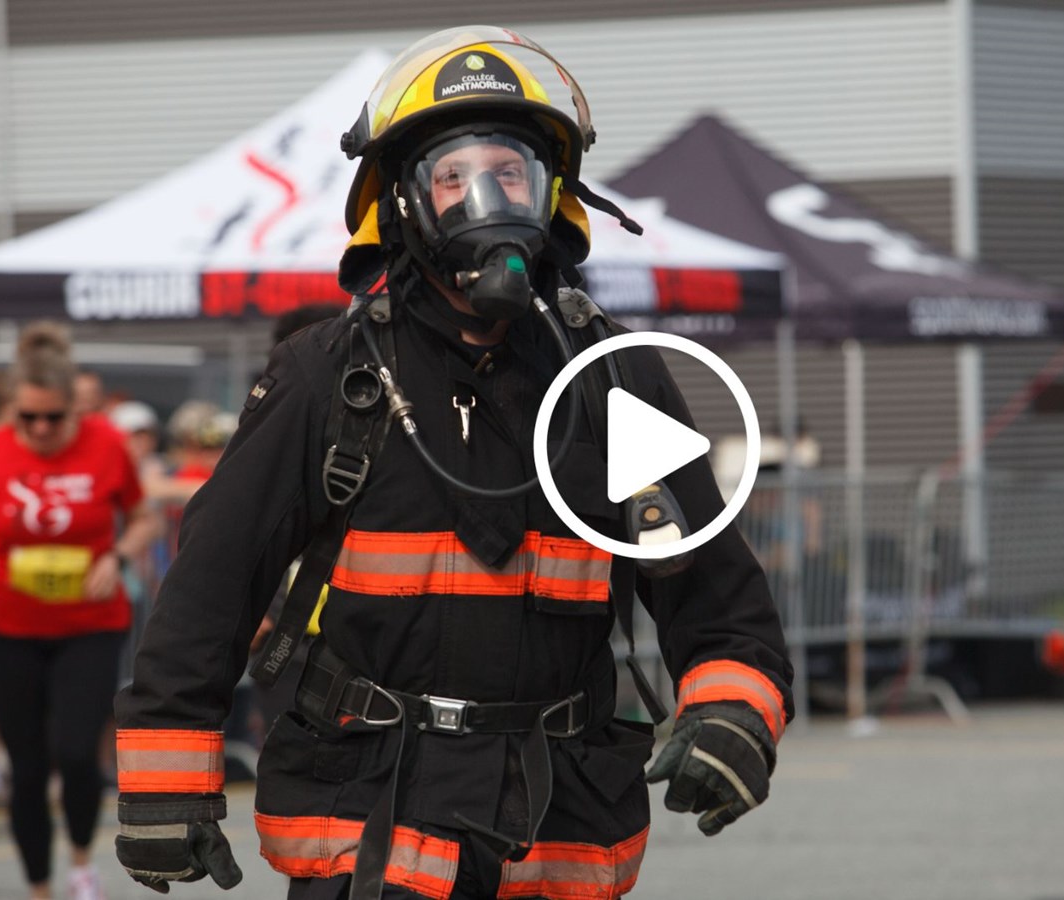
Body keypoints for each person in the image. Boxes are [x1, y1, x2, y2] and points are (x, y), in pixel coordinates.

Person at [113, 27, 792, 900]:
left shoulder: (613, 377)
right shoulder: (330, 375)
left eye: (511, 171)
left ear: (554, 195)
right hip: (370, 824)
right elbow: (211, 584)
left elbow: (720, 598)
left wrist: (733, 712)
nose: (486, 196)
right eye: (453, 176)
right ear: (402, 205)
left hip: (559, 836)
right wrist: (167, 780)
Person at [0, 322, 159, 900]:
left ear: (75, 410)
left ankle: (83, 864)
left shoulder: (108, 443)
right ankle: (39, 887)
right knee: (29, 768)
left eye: (53, 418)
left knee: (75, 750)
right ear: (13, 410)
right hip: (7, 629)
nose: (40, 429)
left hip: (89, 625)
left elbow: (144, 519)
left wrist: (117, 554)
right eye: (27, 418)